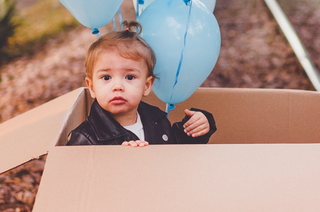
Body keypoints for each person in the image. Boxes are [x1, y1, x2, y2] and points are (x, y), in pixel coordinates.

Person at [67, 21, 216, 147]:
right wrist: (116, 161)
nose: (117, 86)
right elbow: (79, 177)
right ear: (92, 87)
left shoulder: (157, 121)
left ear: (147, 85)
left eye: (130, 77)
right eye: (106, 77)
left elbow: (176, 149)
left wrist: (198, 126)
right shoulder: (85, 139)